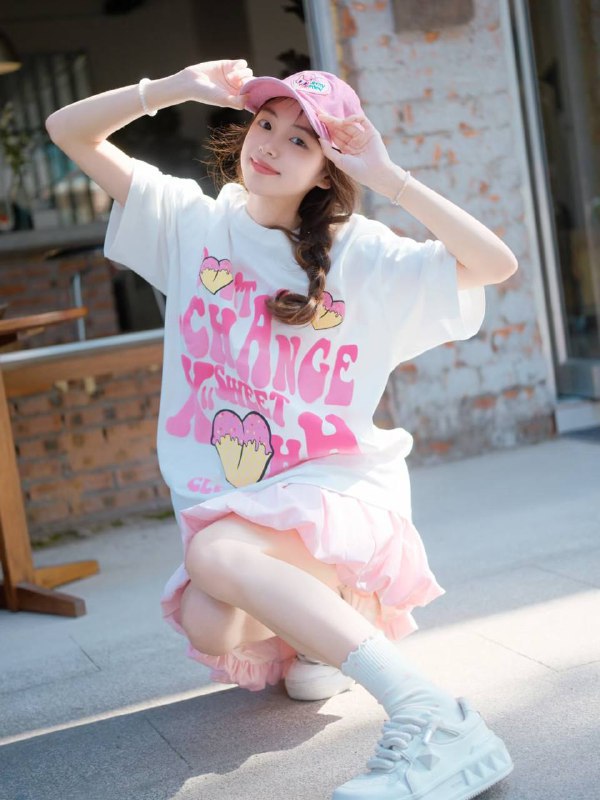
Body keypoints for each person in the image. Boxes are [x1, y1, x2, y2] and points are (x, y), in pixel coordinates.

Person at [46, 59, 517, 800]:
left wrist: (387, 177)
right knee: (208, 623)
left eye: (301, 140)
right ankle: (322, 631)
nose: (270, 144)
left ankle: (432, 716)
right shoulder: (192, 224)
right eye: (266, 123)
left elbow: (495, 264)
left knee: (214, 554)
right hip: (249, 511)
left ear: (328, 169)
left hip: (339, 496)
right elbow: (65, 130)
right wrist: (174, 88)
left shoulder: (358, 251)